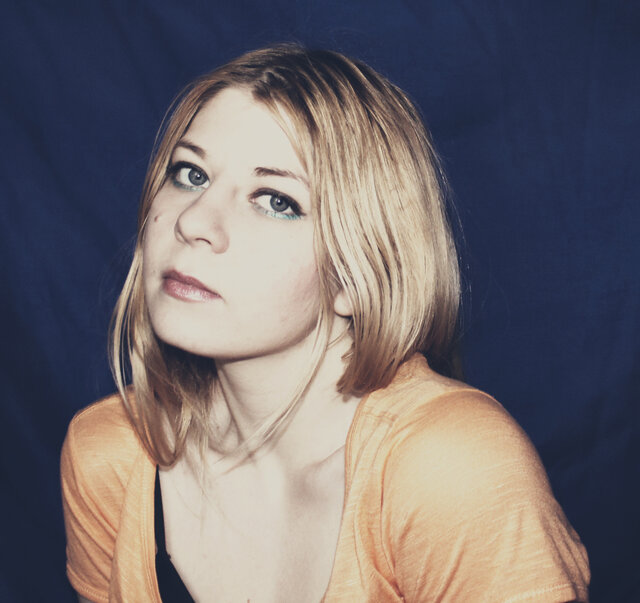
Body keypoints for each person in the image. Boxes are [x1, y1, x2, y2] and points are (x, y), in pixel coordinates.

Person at [61, 44, 590, 602]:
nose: (194, 221)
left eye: (275, 200)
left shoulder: (451, 469)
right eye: (190, 173)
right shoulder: (110, 454)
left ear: (357, 274)